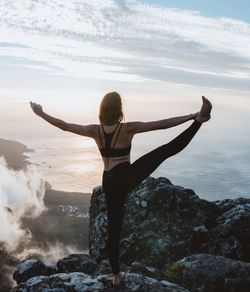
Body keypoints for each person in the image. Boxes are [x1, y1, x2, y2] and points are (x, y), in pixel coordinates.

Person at [30, 92, 212, 287]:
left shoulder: (95, 130)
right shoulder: (127, 129)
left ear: (102, 110)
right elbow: (162, 124)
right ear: (119, 110)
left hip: (108, 181)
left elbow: (64, 126)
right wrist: (191, 116)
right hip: (126, 177)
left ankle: (116, 275)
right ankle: (200, 120)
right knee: (165, 150)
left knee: (113, 229)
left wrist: (41, 114)